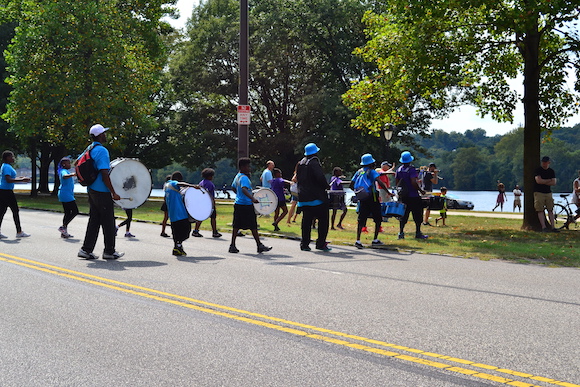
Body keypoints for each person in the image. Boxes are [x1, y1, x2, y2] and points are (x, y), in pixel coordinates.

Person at [77, 124, 124, 260]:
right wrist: (113, 192)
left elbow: (77, 163)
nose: (105, 135)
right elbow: (105, 174)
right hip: (101, 191)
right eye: (104, 133)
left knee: (94, 220)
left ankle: (86, 249)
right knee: (108, 221)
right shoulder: (102, 151)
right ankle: (109, 251)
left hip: (91, 190)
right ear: (100, 135)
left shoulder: (90, 148)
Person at [230, 158, 272, 253]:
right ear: (242, 167)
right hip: (246, 204)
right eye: (247, 166)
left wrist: (238, 195)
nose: (249, 168)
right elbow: (244, 189)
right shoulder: (244, 178)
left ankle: (232, 245)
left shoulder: (238, 176)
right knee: (253, 225)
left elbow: (233, 187)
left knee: (236, 225)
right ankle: (259, 245)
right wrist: (252, 198)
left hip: (238, 203)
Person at [296, 143, 331, 252]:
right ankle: (320, 243)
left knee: (306, 221)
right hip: (316, 198)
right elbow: (320, 177)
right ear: (315, 152)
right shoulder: (314, 162)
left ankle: (304, 243)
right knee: (323, 220)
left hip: (304, 197)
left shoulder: (301, 162)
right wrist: (326, 185)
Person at [351, 154, 389, 249]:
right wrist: (388, 191)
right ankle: (375, 240)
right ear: (371, 163)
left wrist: (358, 192)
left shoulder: (359, 172)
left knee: (361, 219)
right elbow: (379, 181)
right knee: (378, 218)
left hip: (363, 198)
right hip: (372, 197)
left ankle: (358, 240)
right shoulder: (371, 172)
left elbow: (352, 184)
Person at [164, 171, 201, 256]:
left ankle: (177, 248)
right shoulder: (173, 183)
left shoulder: (166, 186)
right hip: (180, 213)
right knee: (186, 231)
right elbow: (180, 183)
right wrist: (193, 186)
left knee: (176, 232)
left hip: (172, 214)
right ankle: (178, 246)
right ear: (178, 179)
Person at [396, 151, 428, 239]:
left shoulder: (399, 169)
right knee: (417, 215)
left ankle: (401, 233)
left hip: (403, 196)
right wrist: (420, 190)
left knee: (403, 215)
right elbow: (413, 182)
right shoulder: (411, 169)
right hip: (413, 196)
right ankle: (418, 233)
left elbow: (397, 183)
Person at [0, 150, 31, 239]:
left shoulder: (5, 166)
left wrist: (20, 178)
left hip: (3, 191)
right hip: (6, 192)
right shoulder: (7, 167)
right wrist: (22, 180)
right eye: (11, 157)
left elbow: (10, 178)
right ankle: (19, 231)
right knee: (15, 210)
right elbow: (8, 180)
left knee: (1, 212)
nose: (13, 158)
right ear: (7, 158)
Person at [192, 168, 222, 238]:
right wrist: (213, 202)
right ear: (209, 176)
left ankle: (196, 230)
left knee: (201, 217)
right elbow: (209, 194)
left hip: (202, 202)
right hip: (209, 203)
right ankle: (214, 232)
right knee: (213, 218)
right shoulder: (210, 184)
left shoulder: (201, 183)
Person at [534, 156, 558, 232]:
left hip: (548, 192)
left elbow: (554, 182)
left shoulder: (551, 171)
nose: (544, 163)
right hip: (539, 192)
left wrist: (543, 181)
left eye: (545, 162)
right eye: (543, 162)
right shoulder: (538, 170)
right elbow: (538, 181)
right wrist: (548, 180)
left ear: (549, 162)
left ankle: (553, 227)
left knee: (550, 209)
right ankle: (543, 227)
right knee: (540, 209)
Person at [57, 156, 78, 238]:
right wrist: (73, 174)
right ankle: (63, 227)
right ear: (63, 164)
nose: (70, 164)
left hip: (66, 194)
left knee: (67, 213)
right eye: (68, 163)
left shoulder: (65, 170)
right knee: (75, 211)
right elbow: (64, 176)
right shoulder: (63, 171)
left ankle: (64, 232)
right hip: (65, 194)